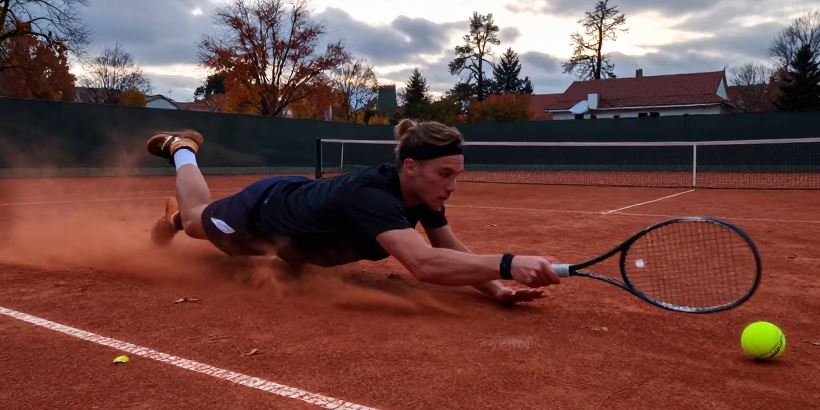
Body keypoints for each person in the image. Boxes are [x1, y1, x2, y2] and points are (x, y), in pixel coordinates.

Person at [146, 119, 560, 304]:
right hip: (260, 212)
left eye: (457, 176)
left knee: (194, 220)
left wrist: (497, 288)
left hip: (301, 208)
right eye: (445, 174)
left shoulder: (423, 195)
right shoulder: (373, 195)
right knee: (198, 220)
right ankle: (182, 149)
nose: (452, 186)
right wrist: (508, 264)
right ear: (411, 167)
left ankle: (177, 215)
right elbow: (425, 265)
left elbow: (448, 247)